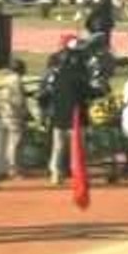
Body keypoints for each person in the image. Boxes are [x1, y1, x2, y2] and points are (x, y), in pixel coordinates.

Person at [39, 35, 90, 186]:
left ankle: (55, 173)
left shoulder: (54, 77)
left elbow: (44, 94)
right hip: (75, 118)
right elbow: (88, 92)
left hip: (58, 117)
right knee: (77, 149)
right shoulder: (78, 77)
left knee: (58, 148)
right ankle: (77, 174)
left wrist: (45, 111)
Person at [2, 59, 30, 179]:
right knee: (16, 142)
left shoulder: (7, 79)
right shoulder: (16, 80)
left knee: (12, 141)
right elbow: (19, 100)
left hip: (7, 113)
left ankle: (13, 167)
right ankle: (14, 169)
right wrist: (25, 112)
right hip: (14, 114)